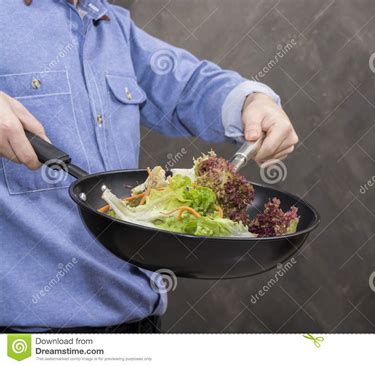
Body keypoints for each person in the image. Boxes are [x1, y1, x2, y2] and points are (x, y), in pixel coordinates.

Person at [0, 0, 298, 333]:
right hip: (27, 339)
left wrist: (252, 101)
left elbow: (188, 85)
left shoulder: (110, 24)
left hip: (137, 322)